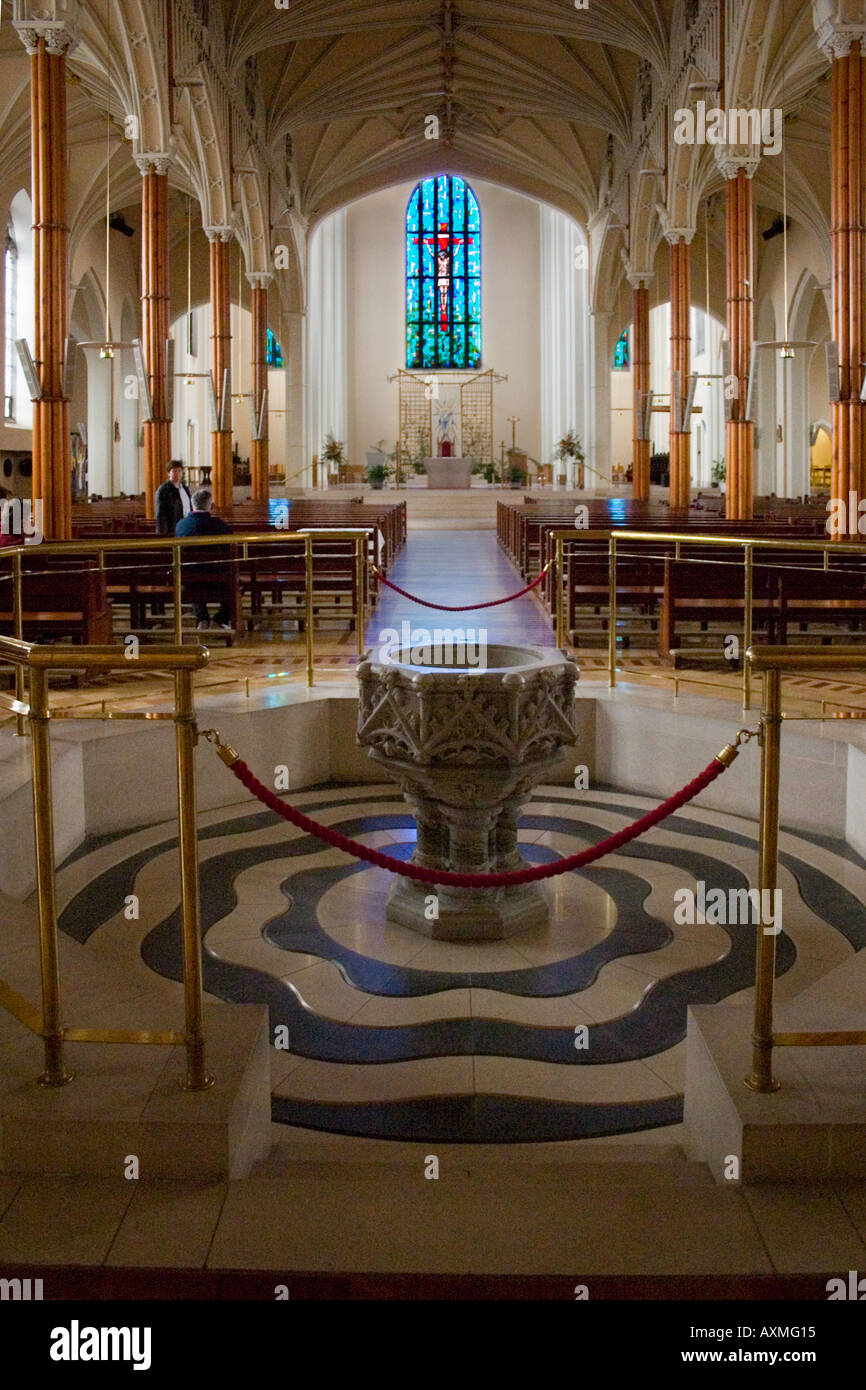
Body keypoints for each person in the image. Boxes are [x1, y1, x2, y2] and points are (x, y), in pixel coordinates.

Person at [174, 487, 232, 630]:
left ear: (192, 505)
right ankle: (220, 618)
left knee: (193, 575)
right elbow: (230, 552)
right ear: (212, 506)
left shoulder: (181, 525)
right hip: (219, 581)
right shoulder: (220, 526)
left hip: (189, 581)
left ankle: (202, 618)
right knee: (234, 582)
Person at [155, 461, 192, 535]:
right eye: (174, 471)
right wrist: (163, 533)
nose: (177, 473)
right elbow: (160, 514)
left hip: (186, 525)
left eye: (179, 471)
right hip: (172, 527)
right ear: (169, 473)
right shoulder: (163, 489)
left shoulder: (185, 488)